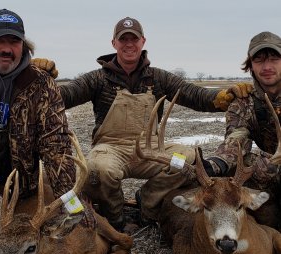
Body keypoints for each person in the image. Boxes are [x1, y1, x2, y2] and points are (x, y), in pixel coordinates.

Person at [35, 17, 252, 231]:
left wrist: (223, 96)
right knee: (98, 169)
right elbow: (63, 97)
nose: (129, 44)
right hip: (111, 149)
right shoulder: (97, 79)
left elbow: (195, 95)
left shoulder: (158, 78)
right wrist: (40, 79)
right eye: (123, 39)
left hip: (152, 151)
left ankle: (147, 204)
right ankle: (116, 219)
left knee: (186, 160)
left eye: (134, 39)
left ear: (143, 42)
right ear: (114, 43)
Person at [0, 8, 94, 253]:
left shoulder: (41, 84)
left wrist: (72, 202)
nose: (6, 48)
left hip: (19, 193)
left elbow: (57, 148)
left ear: (24, 45)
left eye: (14, 41)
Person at [203, 31, 281, 229]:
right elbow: (237, 138)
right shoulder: (244, 102)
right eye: (259, 60)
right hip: (269, 169)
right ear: (250, 65)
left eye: (274, 59)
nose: (267, 67)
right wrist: (215, 164)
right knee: (238, 168)